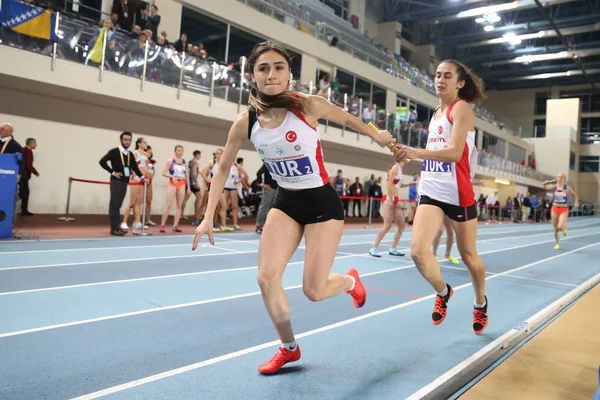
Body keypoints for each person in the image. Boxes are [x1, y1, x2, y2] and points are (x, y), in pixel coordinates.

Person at [192, 40, 395, 374]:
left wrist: (377, 135)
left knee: (314, 291)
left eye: (279, 67)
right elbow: (223, 168)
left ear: (289, 74)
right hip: (285, 203)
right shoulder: (246, 122)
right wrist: (208, 216)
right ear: (252, 75)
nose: (271, 74)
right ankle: (288, 348)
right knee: (266, 278)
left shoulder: (308, 106)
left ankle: (349, 281)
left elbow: (349, 119)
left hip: (322, 205)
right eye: (263, 68)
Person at [394, 59, 488, 335]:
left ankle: (480, 303)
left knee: (469, 256)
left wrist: (416, 152)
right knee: (417, 252)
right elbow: (432, 154)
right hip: (432, 191)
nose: (440, 80)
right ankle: (443, 291)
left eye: (447, 76)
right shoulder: (436, 112)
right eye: (437, 75)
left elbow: (454, 153)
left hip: (458, 193)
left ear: (460, 83)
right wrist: (407, 156)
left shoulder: (462, 110)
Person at [99, 132, 145, 236]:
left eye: (129, 140)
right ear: (121, 140)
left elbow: (135, 167)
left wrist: (142, 177)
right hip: (116, 181)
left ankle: (117, 227)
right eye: (125, 139)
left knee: (118, 205)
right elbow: (102, 161)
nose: (127, 141)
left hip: (125, 181)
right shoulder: (114, 151)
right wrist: (112, 172)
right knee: (114, 205)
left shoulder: (129, 154)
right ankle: (114, 229)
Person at [369, 154, 413, 257]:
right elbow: (389, 184)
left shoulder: (400, 168)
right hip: (389, 200)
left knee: (401, 225)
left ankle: (393, 248)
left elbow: (397, 184)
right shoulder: (394, 168)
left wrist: (410, 185)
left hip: (395, 200)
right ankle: (374, 247)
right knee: (387, 225)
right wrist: (392, 198)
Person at [121, 137, 149, 235]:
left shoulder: (145, 155)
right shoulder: (135, 153)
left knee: (139, 202)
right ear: (139, 144)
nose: (146, 144)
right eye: (144, 143)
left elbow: (146, 167)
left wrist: (146, 176)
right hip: (135, 179)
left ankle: (137, 223)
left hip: (142, 179)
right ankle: (124, 222)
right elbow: (129, 165)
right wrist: (131, 173)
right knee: (132, 201)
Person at [159, 145, 191, 233]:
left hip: (182, 183)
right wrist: (172, 176)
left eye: (181, 151)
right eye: (178, 150)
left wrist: (189, 188)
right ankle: (162, 225)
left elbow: (187, 176)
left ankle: (175, 225)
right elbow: (164, 172)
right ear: (175, 151)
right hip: (173, 183)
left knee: (179, 205)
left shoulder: (185, 162)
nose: (180, 152)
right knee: (168, 204)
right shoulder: (171, 161)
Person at [543, 174, 579, 250]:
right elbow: (545, 187)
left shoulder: (567, 188)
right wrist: (545, 183)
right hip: (554, 208)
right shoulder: (554, 186)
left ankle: (564, 228)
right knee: (555, 229)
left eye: (562, 177)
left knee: (559, 226)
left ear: (564, 179)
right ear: (557, 178)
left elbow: (575, 194)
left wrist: (576, 202)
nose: (560, 178)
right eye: (558, 177)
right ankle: (557, 244)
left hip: (563, 209)